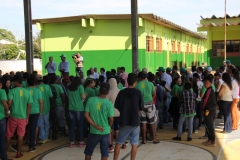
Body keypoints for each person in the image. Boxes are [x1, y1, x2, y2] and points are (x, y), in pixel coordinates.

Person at [114, 73, 143, 160]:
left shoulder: (121, 93)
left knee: (119, 142)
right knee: (134, 143)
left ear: (127, 81)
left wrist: (124, 112)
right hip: (135, 121)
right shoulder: (138, 93)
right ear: (135, 82)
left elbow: (117, 106)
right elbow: (141, 109)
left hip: (124, 120)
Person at [84, 83, 114, 160]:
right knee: (104, 153)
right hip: (105, 131)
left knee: (88, 152)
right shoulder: (109, 103)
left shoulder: (91, 100)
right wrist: (109, 127)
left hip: (93, 131)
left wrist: (95, 126)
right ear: (108, 92)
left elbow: (86, 115)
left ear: (99, 91)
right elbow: (111, 119)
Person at [6, 75, 32, 158]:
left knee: (9, 135)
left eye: (14, 81)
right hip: (23, 117)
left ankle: (4, 153)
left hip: (13, 117)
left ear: (17, 82)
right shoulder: (27, 92)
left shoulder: (12, 91)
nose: (13, 83)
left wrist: (8, 111)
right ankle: (18, 153)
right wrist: (27, 117)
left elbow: (9, 103)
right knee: (21, 135)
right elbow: (29, 106)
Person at [135, 71, 159, 144]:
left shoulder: (137, 85)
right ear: (146, 77)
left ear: (139, 77)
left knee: (143, 123)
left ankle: (144, 140)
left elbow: (136, 96)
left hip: (141, 105)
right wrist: (150, 99)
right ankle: (154, 139)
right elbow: (154, 94)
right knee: (151, 122)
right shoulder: (150, 84)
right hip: (150, 104)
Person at [26, 75, 44, 152]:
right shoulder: (38, 91)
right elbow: (41, 102)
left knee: (25, 128)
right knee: (33, 128)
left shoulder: (24, 90)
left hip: (25, 112)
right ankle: (31, 146)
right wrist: (40, 111)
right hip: (35, 111)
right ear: (35, 83)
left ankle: (25, 141)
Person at [67, 77, 86, 148]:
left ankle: (71, 142)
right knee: (80, 125)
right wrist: (85, 95)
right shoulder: (80, 87)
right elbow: (83, 97)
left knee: (72, 125)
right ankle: (81, 141)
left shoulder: (69, 87)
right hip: (79, 108)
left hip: (71, 108)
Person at [36, 75, 53, 144]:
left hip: (39, 108)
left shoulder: (36, 88)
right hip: (47, 107)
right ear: (43, 81)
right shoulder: (47, 87)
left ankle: (42, 137)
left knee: (41, 124)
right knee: (47, 123)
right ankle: (46, 136)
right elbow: (51, 96)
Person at [201, 75, 217, 147]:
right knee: (208, 125)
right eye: (205, 83)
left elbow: (205, 100)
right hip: (211, 109)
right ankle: (210, 139)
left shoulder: (209, 90)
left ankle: (212, 141)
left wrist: (202, 107)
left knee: (209, 125)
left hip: (209, 110)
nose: (205, 84)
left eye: (207, 83)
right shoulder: (210, 89)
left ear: (210, 83)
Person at [107, 78, 120, 152]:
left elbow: (106, 102)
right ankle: (119, 144)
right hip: (118, 113)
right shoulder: (119, 91)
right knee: (117, 129)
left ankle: (110, 145)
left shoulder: (109, 92)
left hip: (111, 113)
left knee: (110, 129)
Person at [0, 78, 9, 160]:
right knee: (2, 139)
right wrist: (8, 112)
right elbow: (4, 103)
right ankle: (3, 157)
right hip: (1, 118)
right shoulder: (2, 91)